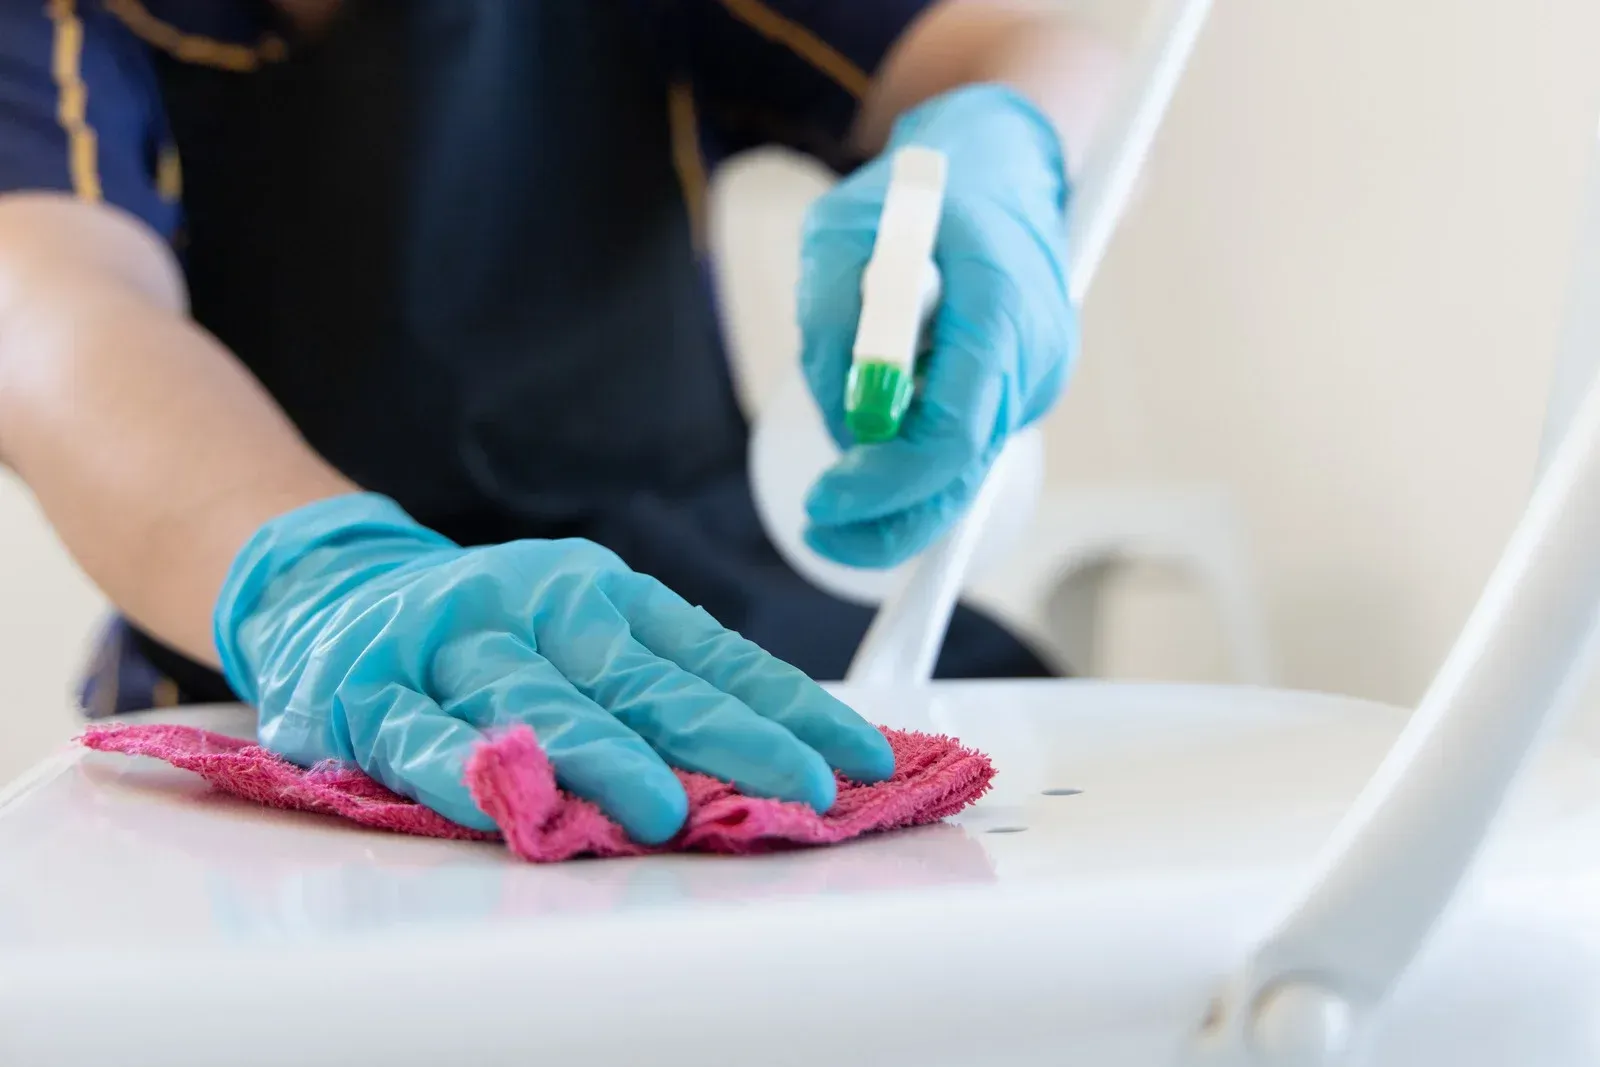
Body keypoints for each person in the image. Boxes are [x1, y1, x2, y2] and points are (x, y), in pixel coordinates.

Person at [0, 0, 1117, 844]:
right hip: (294, 675)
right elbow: (50, 315)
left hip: (736, 618)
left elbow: (1006, 37)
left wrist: (997, 145)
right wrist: (318, 577)